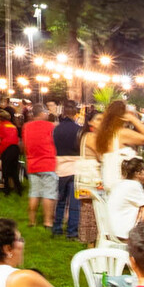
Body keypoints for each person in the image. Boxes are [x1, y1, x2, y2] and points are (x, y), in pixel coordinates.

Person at [51, 102, 86, 240]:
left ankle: (57, 228)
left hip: (60, 166)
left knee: (60, 200)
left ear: (64, 112)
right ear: (75, 113)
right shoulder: (79, 130)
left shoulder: (56, 129)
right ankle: (72, 232)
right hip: (76, 167)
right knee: (74, 202)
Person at [22, 103, 58, 228]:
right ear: (42, 113)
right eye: (47, 112)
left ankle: (32, 221)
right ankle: (48, 221)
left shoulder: (26, 126)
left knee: (34, 192)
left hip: (32, 163)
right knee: (49, 193)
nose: (48, 114)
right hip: (48, 162)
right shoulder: (51, 126)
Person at [104, 157, 144, 239]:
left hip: (110, 230)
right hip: (121, 232)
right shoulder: (133, 186)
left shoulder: (121, 184)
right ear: (138, 173)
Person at [0, 109, 22, 196]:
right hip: (15, 148)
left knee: (5, 171)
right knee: (14, 170)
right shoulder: (12, 126)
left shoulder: (0, 126)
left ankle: (7, 190)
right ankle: (19, 189)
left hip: (7, 149)